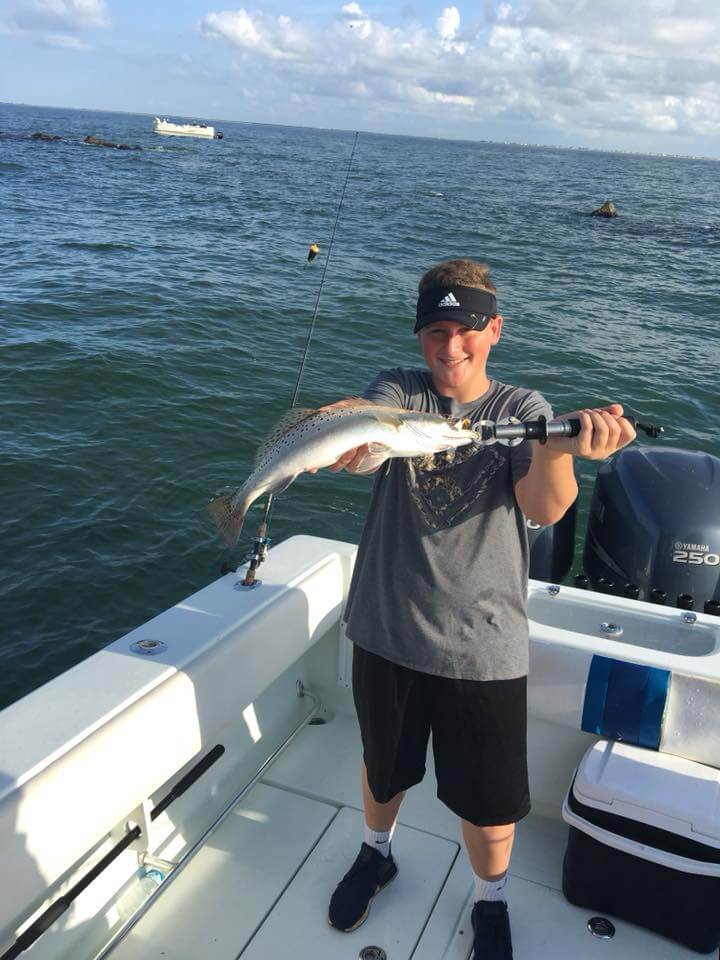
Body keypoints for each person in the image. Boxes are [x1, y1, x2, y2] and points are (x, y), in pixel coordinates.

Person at [321, 258, 635, 959]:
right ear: (420, 335)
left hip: (482, 645)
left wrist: (562, 451)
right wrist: (343, 436)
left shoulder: (521, 411)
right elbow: (368, 439)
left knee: (490, 808)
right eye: (436, 330)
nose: (451, 347)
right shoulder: (399, 390)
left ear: (494, 329)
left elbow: (543, 507)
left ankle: (489, 899)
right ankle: (378, 854)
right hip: (384, 625)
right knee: (382, 769)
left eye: (466, 329)